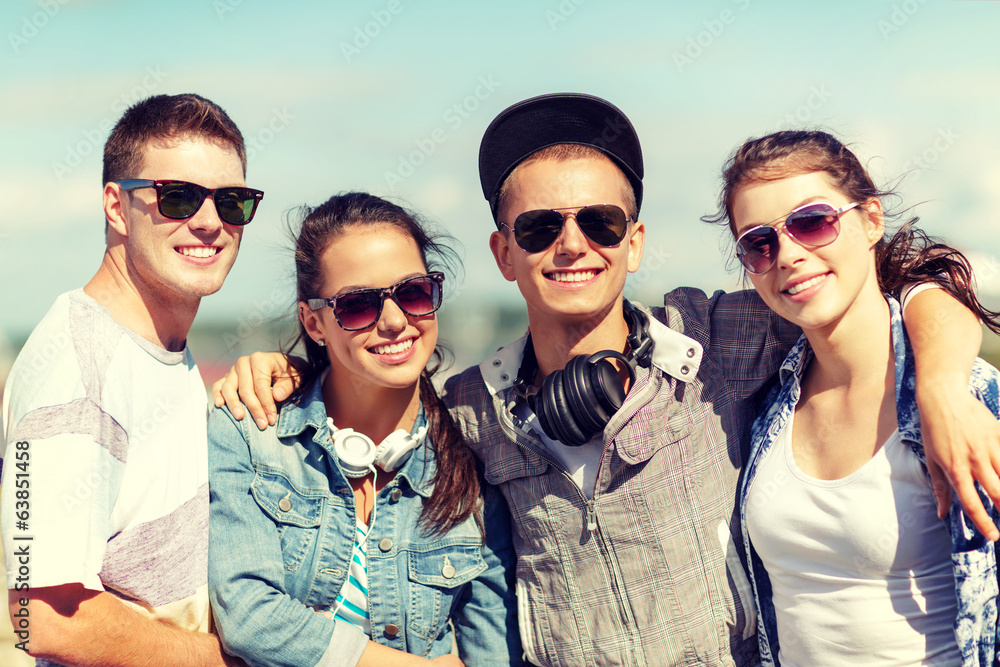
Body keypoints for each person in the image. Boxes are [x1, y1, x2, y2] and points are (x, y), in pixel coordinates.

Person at [214, 93, 997, 666]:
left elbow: (891, 278)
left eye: (601, 222)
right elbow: (367, 392)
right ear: (503, 255)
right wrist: (286, 367)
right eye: (539, 227)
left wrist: (942, 380)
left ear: (636, 242)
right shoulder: (468, 411)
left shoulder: (721, 339)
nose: (572, 244)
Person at [704, 130, 1000, 665]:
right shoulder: (764, 399)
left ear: (870, 220)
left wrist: (937, 383)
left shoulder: (965, 399)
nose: (789, 255)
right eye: (760, 243)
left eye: (812, 222)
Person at [0, 94, 263, 666]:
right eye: (178, 197)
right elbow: (41, 616)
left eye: (233, 202)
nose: (211, 222)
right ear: (116, 207)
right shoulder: (79, 368)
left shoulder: (154, 348)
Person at [208, 192, 523, 667]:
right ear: (314, 323)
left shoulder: (475, 463)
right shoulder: (251, 433)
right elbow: (249, 617)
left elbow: (494, 653)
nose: (395, 322)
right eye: (357, 305)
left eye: (414, 293)